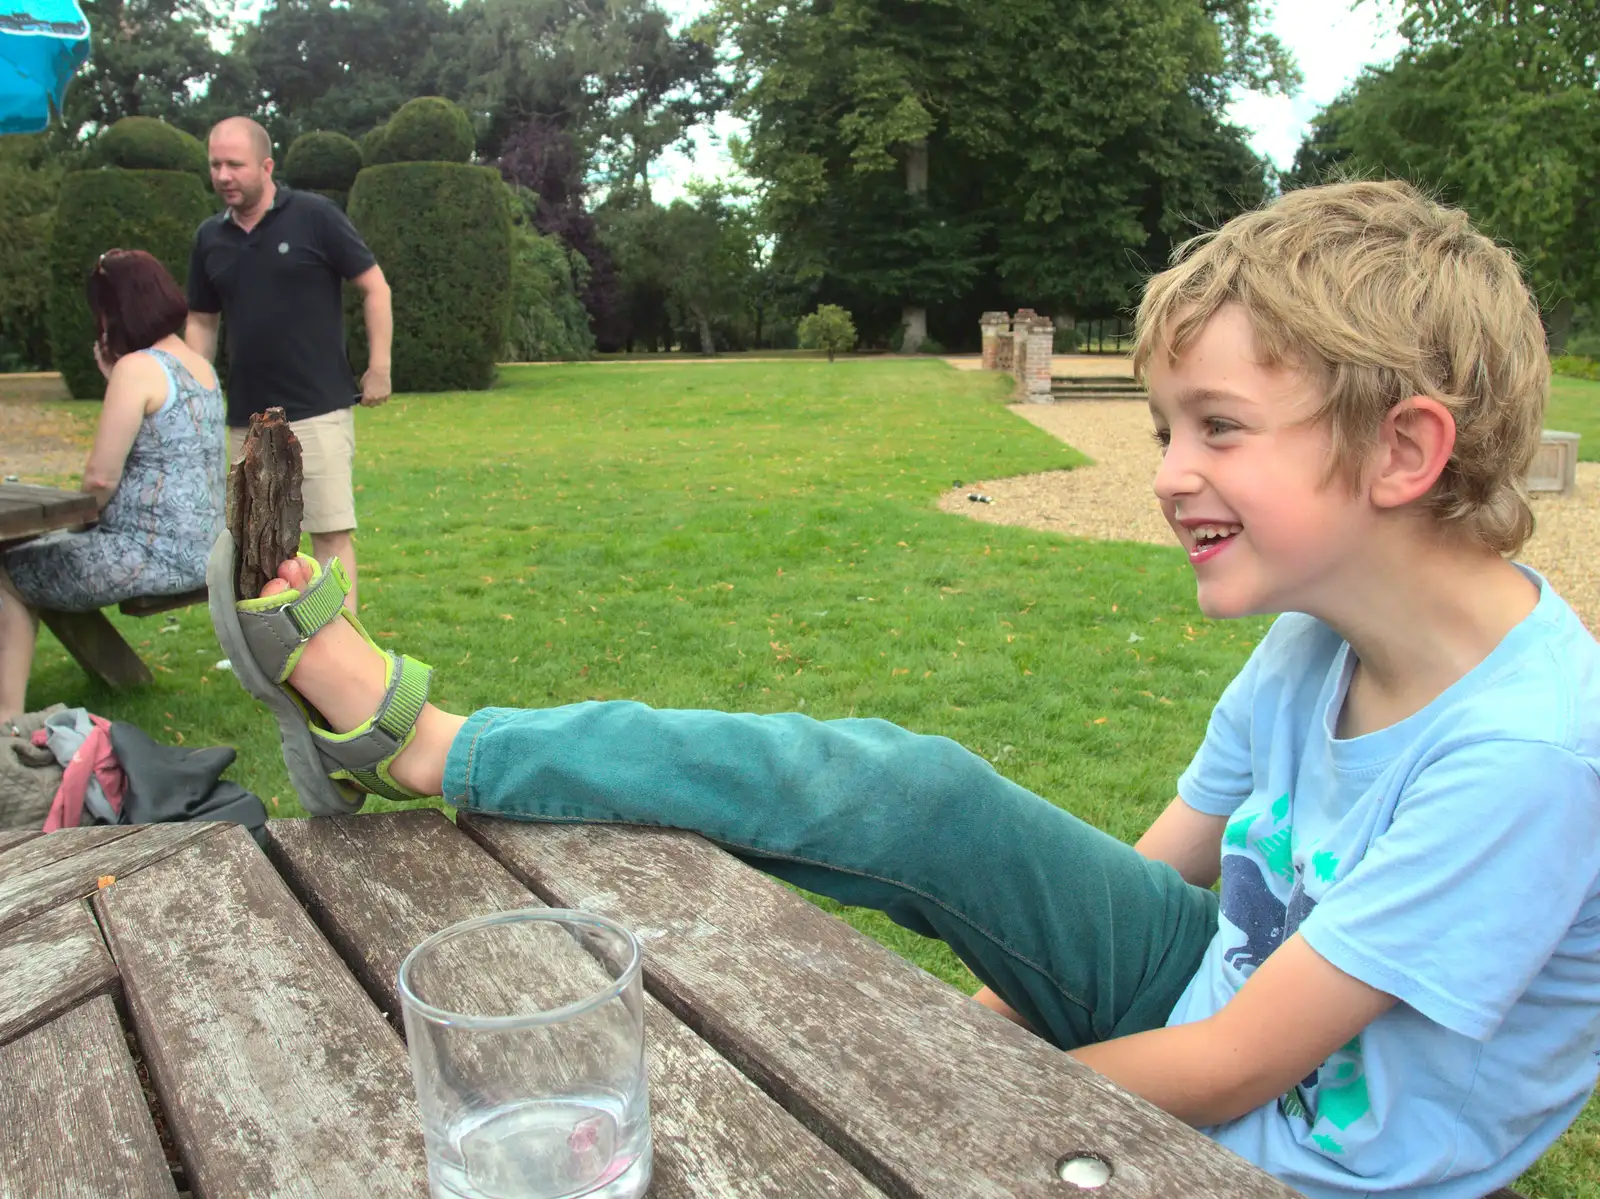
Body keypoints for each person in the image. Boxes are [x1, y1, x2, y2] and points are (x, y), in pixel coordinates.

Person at [209, 181, 1600, 1199]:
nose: (1171, 468)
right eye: (1168, 424)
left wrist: (915, 1084)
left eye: (1217, 428)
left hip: (1305, 1161)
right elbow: (1132, 896)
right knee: (916, 789)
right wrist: (987, 1012)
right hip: (1201, 1010)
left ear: (1405, 448)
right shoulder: (1317, 634)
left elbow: (1235, 1067)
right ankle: (443, 738)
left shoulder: (1533, 746)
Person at [1, 250, 225, 721]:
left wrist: (117, 377)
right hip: (204, 550)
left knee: (7, 572)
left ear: (115, 310)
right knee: (41, 555)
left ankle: (7, 720)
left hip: (145, 556)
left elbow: (100, 478)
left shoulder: (136, 368)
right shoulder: (199, 366)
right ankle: (118, 679)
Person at [185, 115, 392, 614]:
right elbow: (202, 321)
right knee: (251, 547)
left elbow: (374, 286)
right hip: (245, 420)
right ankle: (263, 651)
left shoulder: (314, 216)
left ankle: (343, 650)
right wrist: (192, 392)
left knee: (329, 534)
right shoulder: (210, 238)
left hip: (316, 408)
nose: (223, 175)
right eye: (215, 165)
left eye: (234, 164)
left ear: (266, 165)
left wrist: (379, 365)